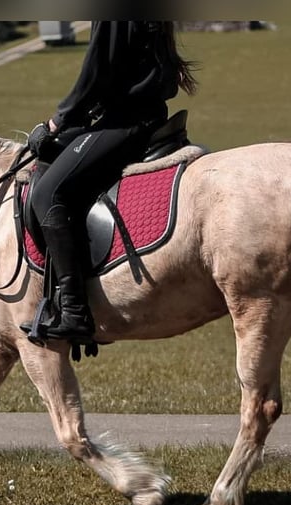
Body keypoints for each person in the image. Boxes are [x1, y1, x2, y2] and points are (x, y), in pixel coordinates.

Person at [24, 21, 198, 345]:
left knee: (48, 193)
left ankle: (75, 312)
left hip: (125, 122)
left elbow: (96, 72)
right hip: (140, 115)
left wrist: (56, 121)